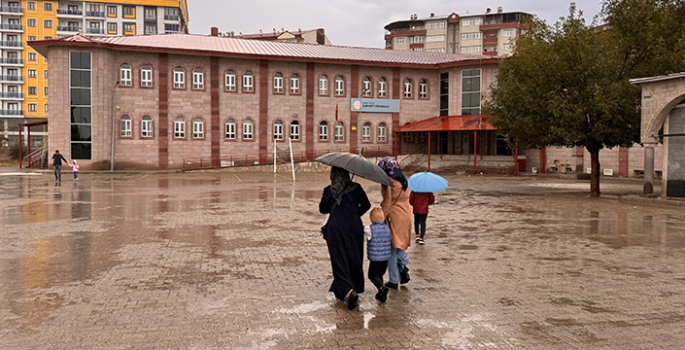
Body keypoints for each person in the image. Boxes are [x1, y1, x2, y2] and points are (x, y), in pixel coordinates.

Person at [319, 166, 371, 310]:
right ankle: (351, 286)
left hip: (335, 228)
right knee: (354, 256)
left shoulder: (329, 190)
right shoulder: (356, 187)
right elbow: (366, 205)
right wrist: (354, 213)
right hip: (354, 226)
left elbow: (322, 209)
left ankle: (348, 290)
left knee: (339, 259)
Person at [378, 157, 413, 290]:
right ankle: (403, 269)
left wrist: (380, 219)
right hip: (405, 213)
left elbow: (387, 203)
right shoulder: (403, 180)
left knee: (391, 249)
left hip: (394, 216)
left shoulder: (388, 182)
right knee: (400, 245)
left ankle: (394, 279)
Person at [364, 207, 391, 303]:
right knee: (380, 274)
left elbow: (360, 229)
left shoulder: (370, 229)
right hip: (385, 259)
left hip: (375, 259)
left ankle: (381, 287)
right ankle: (381, 294)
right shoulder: (387, 229)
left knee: (372, 275)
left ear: (372, 219)